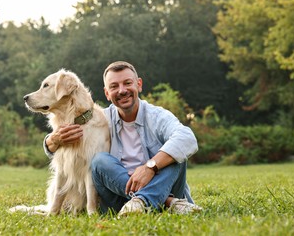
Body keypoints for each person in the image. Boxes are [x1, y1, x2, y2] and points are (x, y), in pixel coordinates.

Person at [43, 61, 202, 216]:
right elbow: (71, 155)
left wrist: (150, 167)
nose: (122, 90)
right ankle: (167, 203)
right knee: (100, 161)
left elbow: (187, 138)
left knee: (174, 155)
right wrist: (52, 141)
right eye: (114, 86)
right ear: (107, 93)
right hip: (119, 201)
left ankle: (144, 201)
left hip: (166, 188)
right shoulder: (99, 120)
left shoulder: (157, 116)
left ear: (139, 84)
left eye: (127, 83)